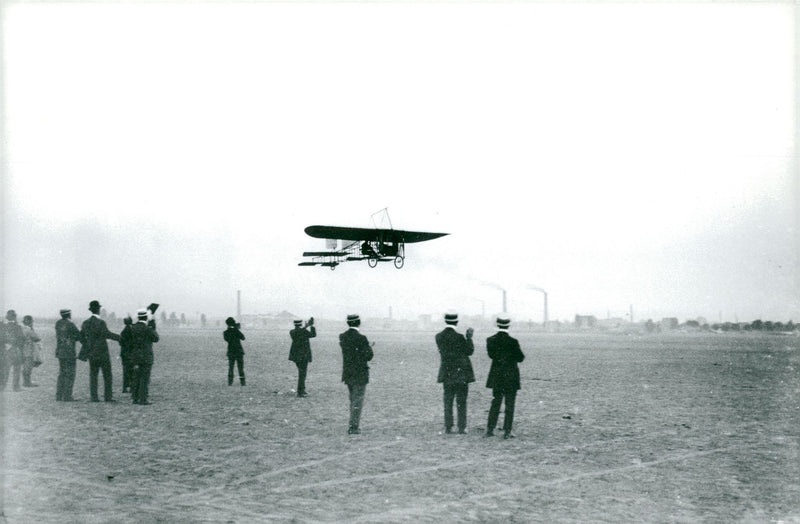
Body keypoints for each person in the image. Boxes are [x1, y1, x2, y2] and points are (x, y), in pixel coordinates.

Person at [484, 315, 525, 439]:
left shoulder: (490, 340)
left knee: (495, 402)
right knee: (509, 404)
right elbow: (521, 358)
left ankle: (490, 429)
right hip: (511, 376)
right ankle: (507, 431)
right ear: (508, 325)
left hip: (497, 376)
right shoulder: (513, 341)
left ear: (497, 324)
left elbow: (491, 356)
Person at [435, 311, 475, 434]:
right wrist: (469, 338)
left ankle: (448, 426)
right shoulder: (460, 337)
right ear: (456, 322)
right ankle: (461, 427)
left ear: (445, 321)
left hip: (447, 372)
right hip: (461, 373)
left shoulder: (438, 336)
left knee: (448, 400)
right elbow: (469, 351)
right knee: (461, 401)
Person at [80, 300, 120, 402]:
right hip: (102, 353)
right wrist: (120, 338)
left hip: (91, 353)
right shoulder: (101, 323)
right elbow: (108, 334)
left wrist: (87, 345)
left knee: (93, 375)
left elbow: (80, 337)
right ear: (99, 310)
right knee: (107, 375)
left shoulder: (86, 323)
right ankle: (108, 397)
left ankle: (94, 397)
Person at [339, 314, 373, 434]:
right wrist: (369, 348)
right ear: (359, 322)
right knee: (357, 401)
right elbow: (368, 356)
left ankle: (353, 424)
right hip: (360, 373)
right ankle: (353, 427)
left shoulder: (343, 336)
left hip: (348, 372)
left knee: (353, 399)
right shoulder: (362, 338)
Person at [129, 308, 159, 405]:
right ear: (146, 317)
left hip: (135, 356)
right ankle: (143, 399)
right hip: (146, 356)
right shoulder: (147, 329)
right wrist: (153, 327)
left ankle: (135, 398)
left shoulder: (132, 328)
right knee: (144, 378)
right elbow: (156, 338)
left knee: (136, 377)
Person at [55, 309, 82, 401]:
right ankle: (67, 396)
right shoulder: (71, 324)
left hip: (60, 352)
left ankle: (59, 395)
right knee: (70, 374)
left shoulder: (58, 323)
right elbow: (79, 336)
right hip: (69, 352)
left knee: (62, 374)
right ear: (69, 315)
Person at [288, 317, 316, 397]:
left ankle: (302, 389)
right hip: (304, 356)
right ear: (301, 324)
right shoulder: (303, 331)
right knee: (302, 373)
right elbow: (313, 335)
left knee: (302, 373)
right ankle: (300, 391)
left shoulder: (292, 332)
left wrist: (307, 326)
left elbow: (299, 332)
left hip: (296, 356)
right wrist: (310, 326)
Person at [2, 310, 25, 391]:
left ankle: (2, 386)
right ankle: (16, 387)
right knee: (17, 368)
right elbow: (22, 339)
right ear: (14, 317)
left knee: (4, 369)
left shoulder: (2, 326)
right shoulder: (17, 327)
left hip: (4, 351)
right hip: (15, 350)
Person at [223, 317, 246, 386]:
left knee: (231, 367)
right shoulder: (236, 331)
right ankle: (243, 382)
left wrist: (231, 329)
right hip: (239, 351)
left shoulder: (226, 332)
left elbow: (227, 339)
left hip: (231, 351)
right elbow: (243, 337)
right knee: (240, 368)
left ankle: (230, 382)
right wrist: (236, 329)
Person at [119, 316, 135, 393]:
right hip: (131, 353)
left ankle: (125, 387)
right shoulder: (133, 330)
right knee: (132, 371)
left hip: (124, 353)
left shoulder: (123, 331)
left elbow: (120, 342)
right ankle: (131, 387)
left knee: (125, 371)